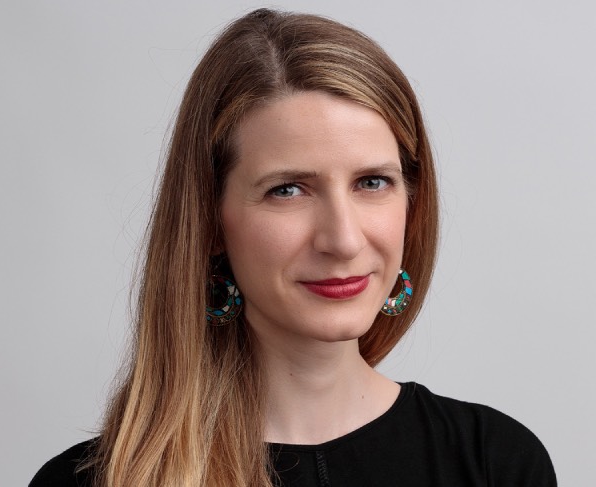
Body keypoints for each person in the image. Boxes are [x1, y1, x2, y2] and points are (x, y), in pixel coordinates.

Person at [30, 8, 556, 487]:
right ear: (210, 220)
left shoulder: (495, 462)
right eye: (287, 190)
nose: (344, 240)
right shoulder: (90, 481)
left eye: (372, 182)